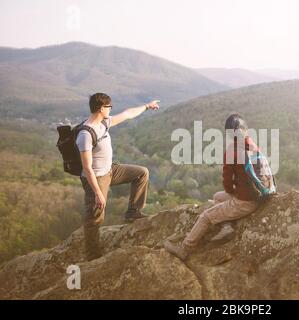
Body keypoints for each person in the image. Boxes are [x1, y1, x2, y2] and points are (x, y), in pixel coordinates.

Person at [164, 113, 261, 260]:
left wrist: (235, 192)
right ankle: (226, 225)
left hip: (245, 202)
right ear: (245, 129)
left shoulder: (232, 151)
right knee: (217, 197)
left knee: (206, 217)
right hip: (257, 195)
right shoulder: (253, 145)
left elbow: (228, 185)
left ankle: (184, 249)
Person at [76, 92, 159, 261]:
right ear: (101, 108)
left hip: (110, 171)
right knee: (95, 216)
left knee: (141, 173)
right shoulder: (85, 134)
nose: (111, 110)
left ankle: (133, 212)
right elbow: (87, 168)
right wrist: (98, 193)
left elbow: (127, 114)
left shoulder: (104, 122)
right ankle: (92, 257)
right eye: (109, 107)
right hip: (97, 178)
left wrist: (146, 106)